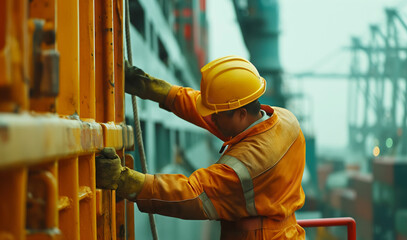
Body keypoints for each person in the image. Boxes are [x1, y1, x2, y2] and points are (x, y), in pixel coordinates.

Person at [96, 55, 306, 239]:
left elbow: (192, 193)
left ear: (241, 114)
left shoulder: (248, 164)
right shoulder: (284, 120)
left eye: (217, 114)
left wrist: (125, 181)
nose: (211, 118)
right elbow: (209, 108)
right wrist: (159, 91)